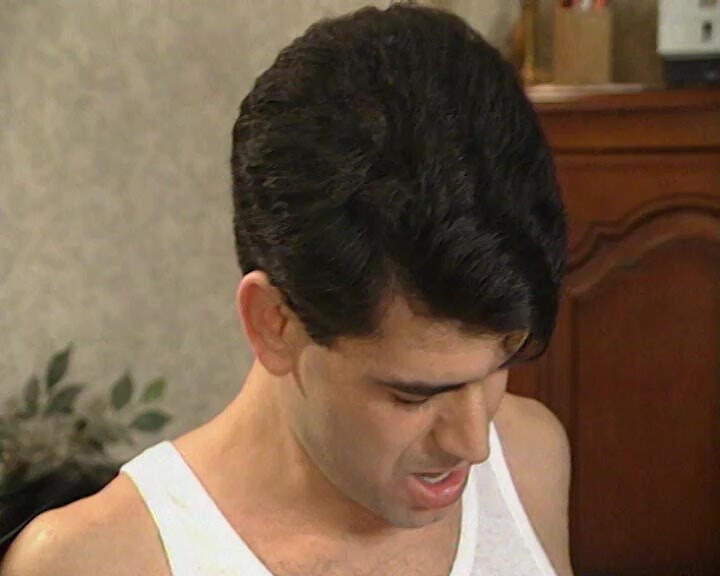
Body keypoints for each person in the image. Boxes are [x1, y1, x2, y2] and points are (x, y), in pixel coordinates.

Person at [1, 4, 572, 575]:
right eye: (413, 396)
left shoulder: (530, 458)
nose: (473, 442)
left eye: (496, 367)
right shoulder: (96, 561)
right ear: (272, 323)